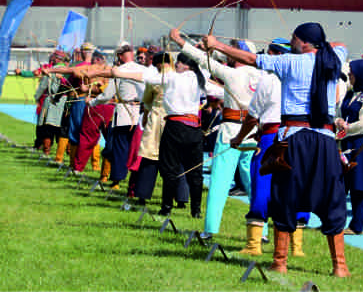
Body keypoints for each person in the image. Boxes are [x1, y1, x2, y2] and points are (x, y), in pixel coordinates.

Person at [204, 23, 350, 278]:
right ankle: (340, 266)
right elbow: (341, 46)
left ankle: (280, 262)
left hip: (295, 137)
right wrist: (322, 45)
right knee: (332, 197)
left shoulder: (290, 62)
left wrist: (216, 45)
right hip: (326, 140)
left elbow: (250, 58)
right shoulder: (334, 59)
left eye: (295, 39)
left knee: (286, 195)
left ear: (304, 43)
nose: (292, 43)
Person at [89, 48, 207, 218]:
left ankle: (148, 197)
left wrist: (118, 73)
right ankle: (186, 203)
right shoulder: (191, 77)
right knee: (185, 166)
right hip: (189, 126)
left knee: (154, 162)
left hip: (163, 123)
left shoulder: (169, 77)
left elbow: (146, 93)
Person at [172, 29, 263, 240]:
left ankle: (210, 230)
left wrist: (179, 41)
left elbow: (201, 61)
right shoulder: (261, 75)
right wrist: (212, 47)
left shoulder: (233, 73)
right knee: (252, 184)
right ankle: (262, 232)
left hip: (232, 132)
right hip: (254, 132)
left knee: (219, 183)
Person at [229, 38, 310, 258]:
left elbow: (253, 116)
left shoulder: (269, 78)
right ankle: (297, 246)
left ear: (273, 55)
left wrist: (238, 138)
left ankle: (254, 245)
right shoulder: (305, 77)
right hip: (298, 137)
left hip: (272, 138)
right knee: (296, 188)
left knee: (263, 187)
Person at [133, 51, 189, 206]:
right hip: (176, 121)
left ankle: (143, 195)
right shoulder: (181, 78)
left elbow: (147, 103)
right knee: (175, 161)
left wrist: (144, 118)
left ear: (158, 64)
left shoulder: (154, 79)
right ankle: (182, 198)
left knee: (150, 159)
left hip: (157, 121)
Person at [89, 42, 146, 189]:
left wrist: (92, 102)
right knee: (138, 150)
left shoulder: (119, 71)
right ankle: (135, 184)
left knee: (120, 149)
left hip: (124, 114)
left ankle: (116, 181)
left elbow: (107, 94)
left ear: (120, 56)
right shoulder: (143, 69)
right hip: (140, 116)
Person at [335, 59, 363, 236]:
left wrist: (346, 130)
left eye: (353, 72)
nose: (350, 75)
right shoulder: (350, 92)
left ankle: (357, 225)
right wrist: (337, 121)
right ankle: (335, 222)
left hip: (362, 146)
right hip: (346, 143)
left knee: (359, 187)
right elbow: (339, 112)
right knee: (340, 185)